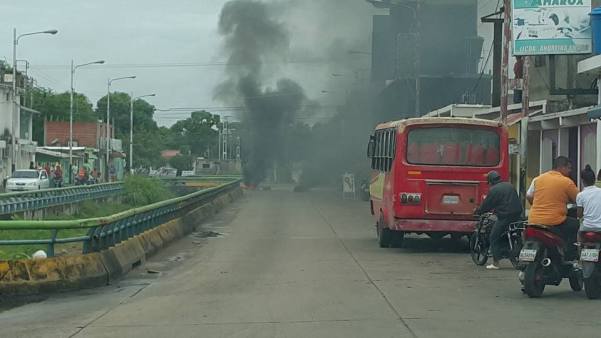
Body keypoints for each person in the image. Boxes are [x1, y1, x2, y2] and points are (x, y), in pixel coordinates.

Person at [528, 156, 580, 260]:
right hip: (554, 221)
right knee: (575, 224)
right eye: (569, 168)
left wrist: (537, 205)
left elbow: (529, 196)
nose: (570, 171)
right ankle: (569, 254)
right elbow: (579, 199)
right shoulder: (566, 182)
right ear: (562, 167)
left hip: (533, 220)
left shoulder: (538, 179)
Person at [475, 171, 523, 270]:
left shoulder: (494, 190)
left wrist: (479, 211)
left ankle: (496, 263)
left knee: (493, 236)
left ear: (491, 181)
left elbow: (487, 205)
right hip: (518, 214)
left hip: (505, 216)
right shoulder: (509, 185)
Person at [577, 165, 601, 232]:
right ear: (594, 179)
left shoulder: (580, 195)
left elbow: (579, 215)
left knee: (579, 236)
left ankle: (579, 242)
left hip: (586, 227)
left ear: (582, 181)